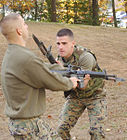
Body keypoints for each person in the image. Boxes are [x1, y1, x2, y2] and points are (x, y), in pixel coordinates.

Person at [0, 13, 83, 140]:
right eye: (24, 23)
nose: (27, 26)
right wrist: (70, 83)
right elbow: (50, 80)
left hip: (26, 122)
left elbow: (41, 67)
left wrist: (62, 68)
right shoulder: (24, 57)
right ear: (19, 31)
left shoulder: (13, 54)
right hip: (28, 126)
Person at [56, 28, 107, 140]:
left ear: (72, 43)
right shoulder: (59, 59)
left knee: (97, 132)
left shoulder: (85, 57)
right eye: (58, 43)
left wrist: (63, 76)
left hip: (94, 96)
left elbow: (82, 85)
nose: (60, 47)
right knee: (61, 129)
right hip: (75, 97)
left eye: (64, 43)